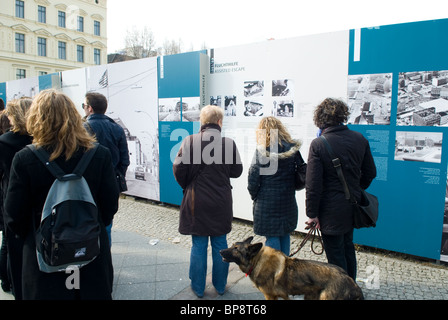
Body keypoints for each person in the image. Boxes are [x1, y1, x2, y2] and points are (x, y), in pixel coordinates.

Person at [4, 89, 119, 299]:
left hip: (44, 256)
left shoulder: (24, 159)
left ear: (36, 119)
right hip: (90, 250)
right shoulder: (99, 154)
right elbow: (110, 205)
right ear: (75, 117)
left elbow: (13, 216)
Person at [173, 105, 243, 297]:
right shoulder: (228, 143)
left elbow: (178, 169)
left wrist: (188, 185)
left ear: (202, 122)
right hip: (221, 202)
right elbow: (237, 171)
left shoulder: (189, 141)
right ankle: (220, 286)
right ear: (219, 122)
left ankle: (197, 287)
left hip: (196, 201)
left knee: (199, 244)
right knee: (221, 244)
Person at [305, 98, 376, 280]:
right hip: (351, 205)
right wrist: (355, 189)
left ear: (320, 118)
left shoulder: (319, 144)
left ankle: (342, 292)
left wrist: (312, 214)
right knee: (347, 247)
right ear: (342, 116)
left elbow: (313, 185)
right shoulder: (359, 138)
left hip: (330, 210)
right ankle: (352, 287)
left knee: (336, 255)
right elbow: (370, 173)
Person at [247, 116, 303, 255]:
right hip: (287, 200)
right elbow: (301, 171)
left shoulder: (262, 150)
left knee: (271, 236)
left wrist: (255, 196)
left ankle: (274, 273)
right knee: (284, 234)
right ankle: (285, 271)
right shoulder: (291, 149)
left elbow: (253, 178)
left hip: (266, 203)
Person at [83, 92, 129, 246]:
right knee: (107, 221)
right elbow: (125, 160)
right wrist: (116, 176)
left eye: (83, 105)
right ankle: (105, 258)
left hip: (85, 183)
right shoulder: (117, 128)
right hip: (111, 182)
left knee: (84, 221)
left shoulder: (81, 129)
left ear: (89, 108)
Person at [0, 98, 32, 298]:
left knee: (11, 243)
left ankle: (8, 281)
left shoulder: (4, 143)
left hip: (11, 199)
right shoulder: (38, 139)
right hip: (37, 203)